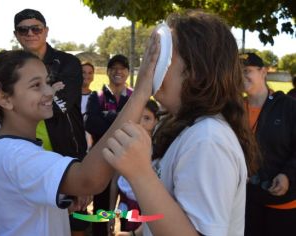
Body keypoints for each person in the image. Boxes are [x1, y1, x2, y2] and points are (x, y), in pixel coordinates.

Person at [101, 10, 260, 236]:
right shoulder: (190, 130)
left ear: (195, 71)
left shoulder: (207, 139)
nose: (152, 68)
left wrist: (140, 173)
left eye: (163, 57)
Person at [0, 50, 151, 236]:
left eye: (47, 82)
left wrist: (61, 208)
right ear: (4, 98)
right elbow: (89, 181)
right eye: (36, 85)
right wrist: (140, 94)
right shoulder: (17, 155)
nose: (50, 91)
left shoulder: (9, 148)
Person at [13, 9, 88, 234]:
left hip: (66, 153)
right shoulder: (13, 66)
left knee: (74, 220)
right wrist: (48, 92)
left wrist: (25, 98)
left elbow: (56, 106)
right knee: (38, 222)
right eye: (23, 29)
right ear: (16, 34)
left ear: (46, 31)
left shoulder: (67, 63)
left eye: (36, 28)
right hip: (28, 155)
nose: (30, 33)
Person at [241, 52, 296, 236]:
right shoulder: (234, 109)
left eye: (247, 71)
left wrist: (288, 175)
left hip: (283, 204)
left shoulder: (288, 106)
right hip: (246, 202)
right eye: (238, 72)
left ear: (263, 72)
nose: (242, 76)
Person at [85, 54, 132, 236]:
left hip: (129, 162)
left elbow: (138, 124)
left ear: (127, 72)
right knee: (102, 211)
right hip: (102, 162)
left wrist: (107, 117)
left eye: (122, 68)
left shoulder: (134, 96)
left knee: (129, 210)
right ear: (107, 72)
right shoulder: (96, 97)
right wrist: (121, 119)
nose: (118, 72)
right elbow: (91, 123)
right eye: (114, 68)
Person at [109, 99, 159, 235]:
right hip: (126, 207)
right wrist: (112, 215)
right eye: (138, 117)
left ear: (156, 121)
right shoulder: (123, 147)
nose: (141, 123)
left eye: (147, 118)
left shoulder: (159, 152)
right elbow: (114, 182)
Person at [81, 61, 95, 150]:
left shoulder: (96, 97)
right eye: (83, 72)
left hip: (89, 148)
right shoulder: (70, 96)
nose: (87, 75)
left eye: (90, 73)